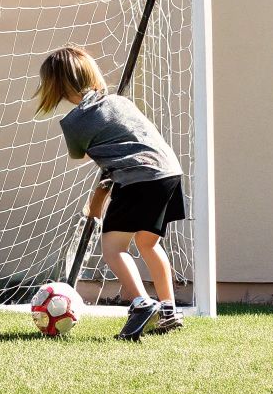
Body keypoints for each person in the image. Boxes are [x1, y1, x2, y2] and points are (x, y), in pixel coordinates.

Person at [34, 46, 186, 340]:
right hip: (168, 172)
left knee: (114, 248)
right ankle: (169, 310)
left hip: (138, 178)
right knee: (148, 243)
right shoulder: (120, 102)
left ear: (55, 86)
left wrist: (99, 198)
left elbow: (85, 157)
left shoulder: (74, 123)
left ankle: (142, 305)